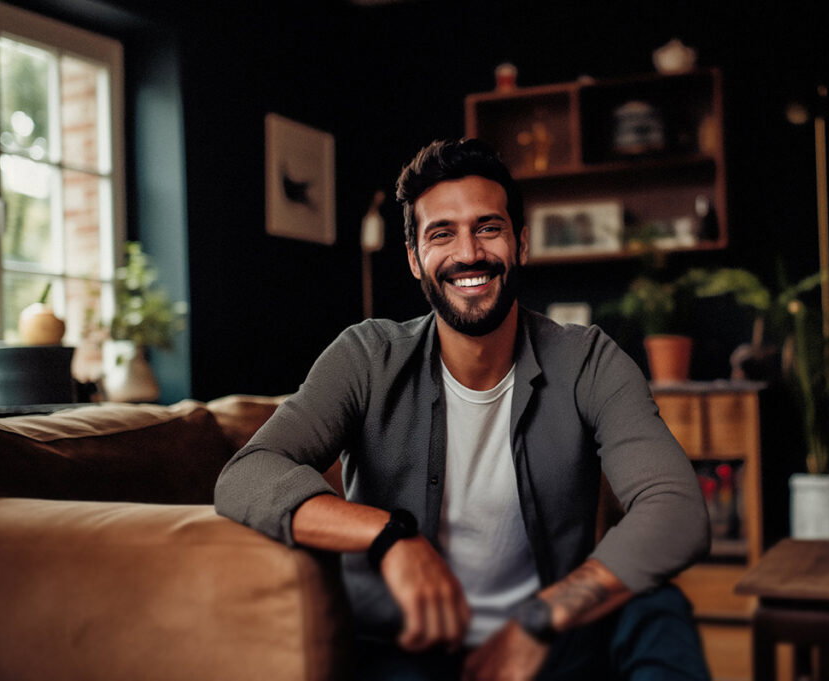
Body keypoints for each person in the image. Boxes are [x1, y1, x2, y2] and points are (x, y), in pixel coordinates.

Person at [214, 138, 711, 681]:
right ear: (414, 259)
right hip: (409, 648)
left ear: (520, 244)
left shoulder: (587, 359)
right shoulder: (366, 357)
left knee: (656, 609)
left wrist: (540, 620)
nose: (469, 253)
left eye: (488, 228)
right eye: (441, 233)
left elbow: (676, 508)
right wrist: (391, 537)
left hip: (556, 645)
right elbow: (247, 474)